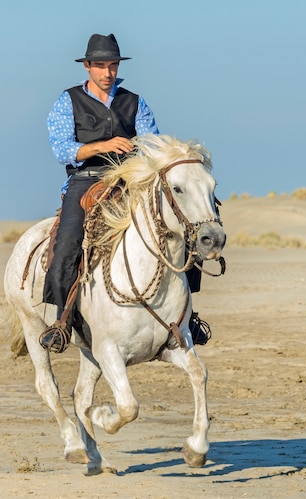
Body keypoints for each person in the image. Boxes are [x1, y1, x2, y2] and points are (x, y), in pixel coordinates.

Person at [40, 33, 210, 353]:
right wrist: (102, 146)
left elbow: (151, 143)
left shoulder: (135, 101)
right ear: (88, 66)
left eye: (113, 65)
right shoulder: (68, 100)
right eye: (101, 66)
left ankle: (189, 314)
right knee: (67, 243)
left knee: (185, 230)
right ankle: (61, 320)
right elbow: (63, 149)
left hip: (132, 180)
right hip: (86, 180)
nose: (108, 73)